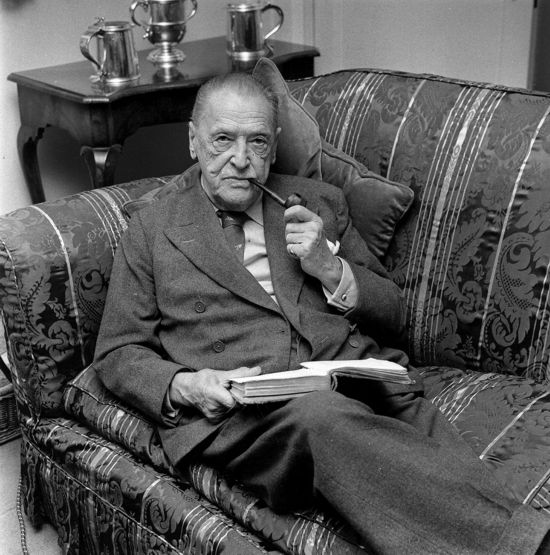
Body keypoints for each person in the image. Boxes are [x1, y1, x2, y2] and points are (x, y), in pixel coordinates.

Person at [94, 72, 550, 554]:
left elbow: (393, 313)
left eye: (257, 142)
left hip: (359, 379)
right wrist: (187, 384)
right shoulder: (152, 228)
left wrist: (330, 268)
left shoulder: (318, 203)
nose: (241, 159)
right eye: (223, 140)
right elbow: (118, 351)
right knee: (325, 419)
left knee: (453, 472)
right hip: (251, 417)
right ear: (193, 140)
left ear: (275, 146)